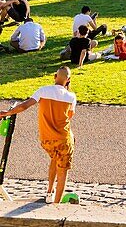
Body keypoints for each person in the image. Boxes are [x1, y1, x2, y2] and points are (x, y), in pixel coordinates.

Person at [0, 67, 78, 203]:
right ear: (68, 80)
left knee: (55, 158)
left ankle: (49, 192)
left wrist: (7, 113)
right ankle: (57, 204)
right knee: (63, 171)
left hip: (46, 139)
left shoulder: (43, 90)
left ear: (55, 76)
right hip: (63, 139)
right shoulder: (71, 97)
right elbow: (69, 117)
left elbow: (24, 106)